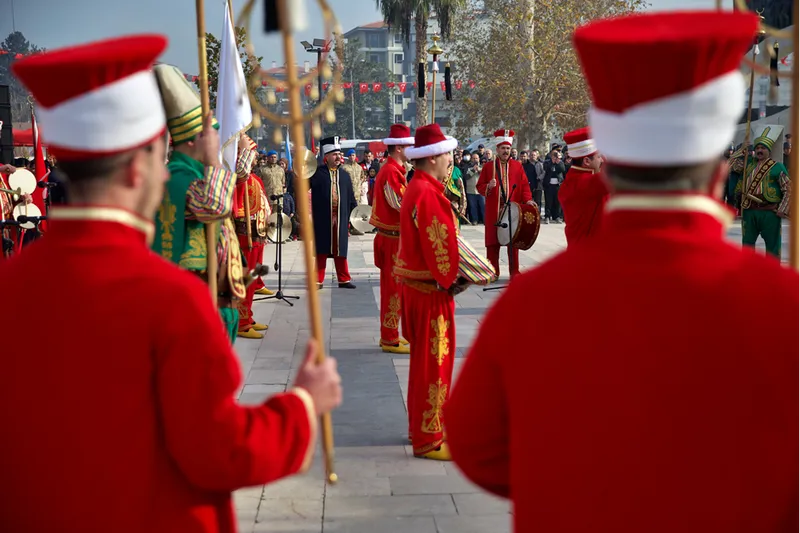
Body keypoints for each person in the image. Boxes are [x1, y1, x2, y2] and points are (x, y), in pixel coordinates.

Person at [445, 10, 800, 532]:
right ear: (719, 174)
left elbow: (477, 447)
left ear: (610, 171)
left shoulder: (530, 302)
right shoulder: (783, 302)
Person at [2, 34, 342, 533]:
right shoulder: (172, 300)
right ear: (137, 169)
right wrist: (304, 405)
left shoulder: (10, 287)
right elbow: (220, 451)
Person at [396, 124, 496, 461]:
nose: (451, 161)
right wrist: (466, 275)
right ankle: (430, 436)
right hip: (430, 294)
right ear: (433, 157)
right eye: (447, 155)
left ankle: (422, 427)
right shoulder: (427, 193)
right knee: (434, 365)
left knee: (422, 365)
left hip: (417, 289)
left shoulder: (419, 187)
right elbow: (444, 246)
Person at [151, 63, 246, 343]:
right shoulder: (178, 176)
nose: (216, 140)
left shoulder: (197, 174)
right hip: (200, 306)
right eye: (211, 135)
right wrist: (215, 158)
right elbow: (214, 207)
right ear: (194, 141)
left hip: (220, 302)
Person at [369, 123, 414, 355]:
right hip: (391, 239)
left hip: (394, 237)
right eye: (408, 146)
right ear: (398, 148)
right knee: (392, 289)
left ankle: (391, 332)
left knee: (396, 288)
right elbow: (400, 204)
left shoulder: (395, 170)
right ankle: (389, 337)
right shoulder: (390, 172)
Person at [476, 129, 534, 279]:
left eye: (508, 148)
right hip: (494, 209)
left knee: (513, 241)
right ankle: (493, 272)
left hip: (513, 209)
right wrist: (488, 186)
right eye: (503, 148)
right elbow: (479, 186)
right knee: (492, 243)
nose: (506, 151)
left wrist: (528, 200)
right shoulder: (488, 167)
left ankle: (514, 272)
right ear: (497, 149)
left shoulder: (517, 166)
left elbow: (524, 186)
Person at [235, 134, 271, 340]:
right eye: (252, 152)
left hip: (257, 234)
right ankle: (241, 321)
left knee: (253, 277)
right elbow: (241, 171)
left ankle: (248, 316)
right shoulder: (237, 174)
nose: (255, 155)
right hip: (244, 234)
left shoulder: (254, 178)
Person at [310, 135, 357, 289]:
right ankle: (317, 280)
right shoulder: (317, 173)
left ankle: (344, 279)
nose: (338, 157)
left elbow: (351, 197)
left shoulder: (345, 175)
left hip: (341, 219)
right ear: (327, 156)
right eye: (335, 154)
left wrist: (354, 215)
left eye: (339, 154)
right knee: (322, 250)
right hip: (323, 218)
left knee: (340, 250)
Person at [738, 126, 791, 258]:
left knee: (773, 247)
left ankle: (772, 270)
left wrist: (783, 209)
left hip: (770, 212)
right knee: (747, 246)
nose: (759, 150)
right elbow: (729, 165)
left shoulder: (777, 166)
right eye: (757, 148)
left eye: (763, 148)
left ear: (769, 150)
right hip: (750, 210)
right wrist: (741, 150)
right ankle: (747, 268)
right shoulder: (748, 164)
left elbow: (789, 189)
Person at [558, 127, 608, 246]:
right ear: (586, 161)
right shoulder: (587, 182)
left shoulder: (573, 180)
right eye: (599, 156)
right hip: (591, 251)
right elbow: (622, 172)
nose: (602, 160)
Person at [542, 149, 566, 223]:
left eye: (556, 156)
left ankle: (557, 216)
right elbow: (546, 168)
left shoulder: (560, 162)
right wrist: (552, 162)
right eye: (554, 155)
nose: (555, 157)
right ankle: (547, 216)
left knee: (557, 202)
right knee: (548, 202)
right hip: (549, 185)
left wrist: (558, 163)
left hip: (557, 185)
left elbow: (563, 169)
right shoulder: (547, 162)